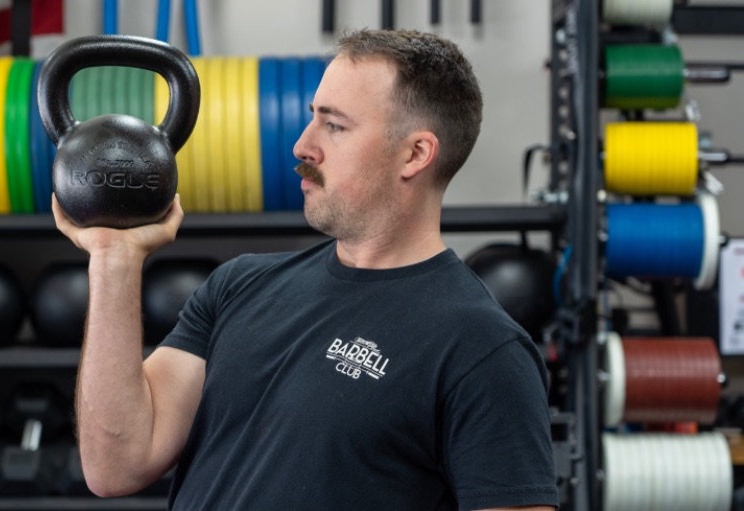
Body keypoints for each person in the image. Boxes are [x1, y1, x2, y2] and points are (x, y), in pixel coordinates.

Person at [53, 28, 559, 511]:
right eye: (312, 117)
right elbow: (115, 465)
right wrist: (113, 259)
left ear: (415, 154)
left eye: (334, 126)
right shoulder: (239, 286)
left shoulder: (483, 351)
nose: (302, 145)